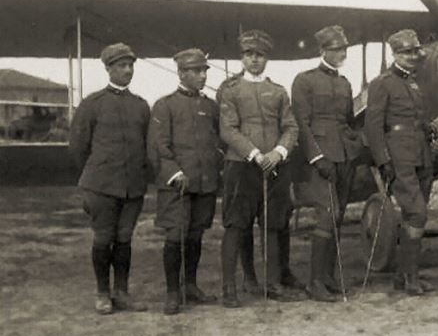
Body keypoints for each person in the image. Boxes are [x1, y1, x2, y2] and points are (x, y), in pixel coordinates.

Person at [218, 30, 299, 306]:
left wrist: (278, 152)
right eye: (249, 55)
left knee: (273, 224)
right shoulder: (230, 90)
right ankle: (230, 286)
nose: (254, 60)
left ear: (267, 58)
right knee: (236, 225)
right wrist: (254, 154)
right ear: (242, 57)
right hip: (241, 166)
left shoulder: (278, 91)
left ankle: (273, 283)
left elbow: (290, 127)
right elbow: (228, 129)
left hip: (274, 166)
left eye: (260, 55)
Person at [69, 43, 150, 314]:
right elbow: (79, 147)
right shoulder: (92, 104)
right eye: (121, 66)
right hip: (101, 186)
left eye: (130, 66)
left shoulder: (140, 106)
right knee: (103, 239)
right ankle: (102, 293)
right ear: (108, 69)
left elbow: (146, 146)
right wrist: (95, 176)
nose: (127, 70)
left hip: (132, 188)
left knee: (125, 239)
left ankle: (122, 292)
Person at [149, 48, 221, 314]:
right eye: (196, 71)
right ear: (181, 73)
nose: (202, 75)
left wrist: (216, 162)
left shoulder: (210, 107)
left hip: (204, 183)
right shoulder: (165, 106)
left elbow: (219, 140)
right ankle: (172, 292)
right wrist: (174, 173)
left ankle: (190, 285)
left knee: (196, 234)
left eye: (204, 71)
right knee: (176, 235)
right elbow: (158, 146)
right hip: (176, 185)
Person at [291, 25, 360, 302]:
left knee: (338, 216)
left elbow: (348, 121)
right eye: (335, 49)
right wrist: (317, 157)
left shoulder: (344, 83)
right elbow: (302, 124)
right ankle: (315, 282)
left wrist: (354, 150)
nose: (340, 53)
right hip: (321, 158)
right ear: (323, 51)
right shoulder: (304, 81)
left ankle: (329, 277)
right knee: (327, 214)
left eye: (343, 49)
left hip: (345, 157)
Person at [365, 29, 434, 295]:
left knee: (412, 216)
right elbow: (373, 127)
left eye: (415, 51)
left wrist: (427, 128)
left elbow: (415, 117)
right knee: (418, 213)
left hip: (422, 154)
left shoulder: (415, 83)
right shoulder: (382, 83)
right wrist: (383, 161)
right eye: (406, 52)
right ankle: (412, 277)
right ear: (394, 54)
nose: (412, 56)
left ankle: (402, 276)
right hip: (399, 156)